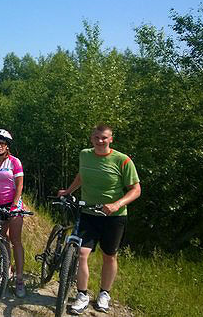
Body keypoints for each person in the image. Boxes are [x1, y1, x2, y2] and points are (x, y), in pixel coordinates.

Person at [58, 124, 141, 314]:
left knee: (109, 255)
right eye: (96, 137)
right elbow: (82, 176)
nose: (100, 141)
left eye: (104, 137)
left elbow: (136, 190)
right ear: (91, 138)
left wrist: (117, 204)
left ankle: (104, 293)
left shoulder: (122, 160)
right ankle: (82, 295)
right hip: (88, 213)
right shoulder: (84, 154)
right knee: (81, 253)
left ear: (111, 139)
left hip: (114, 216)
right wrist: (68, 191)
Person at [0, 129, 27, 298]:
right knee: (3, 238)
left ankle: (20, 280)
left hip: (13, 204)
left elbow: (20, 186)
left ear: (7, 146)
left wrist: (15, 205)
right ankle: (7, 269)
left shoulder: (14, 162)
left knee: (16, 240)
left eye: (2, 143)